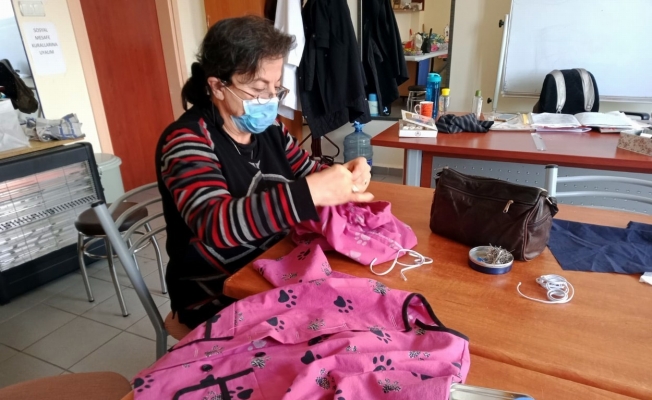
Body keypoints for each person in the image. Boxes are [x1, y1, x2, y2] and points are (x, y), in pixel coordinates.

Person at [156, 16, 373, 328]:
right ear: (218, 87)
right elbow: (215, 224)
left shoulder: (271, 130)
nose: (270, 99)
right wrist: (310, 192)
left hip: (274, 266)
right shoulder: (187, 141)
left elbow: (307, 170)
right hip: (216, 293)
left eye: (275, 87)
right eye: (258, 88)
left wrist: (346, 172)